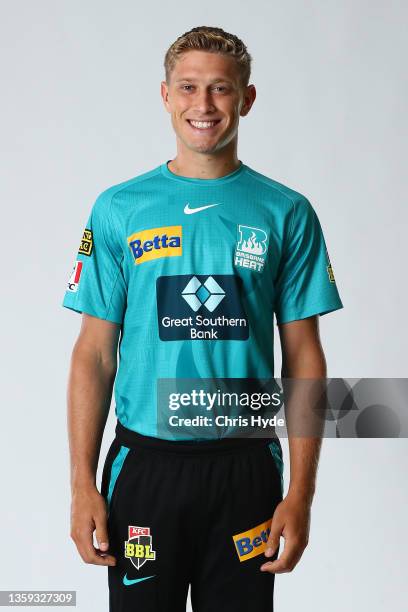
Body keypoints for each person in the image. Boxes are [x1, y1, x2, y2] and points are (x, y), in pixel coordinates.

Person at [62, 25, 343, 612]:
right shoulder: (119, 208)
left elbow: (305, 356)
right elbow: (93, 352)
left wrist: (301, 492)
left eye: (220, 89)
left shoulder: (285, 211)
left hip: (246, 465)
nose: (204, 105)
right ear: (165, 95)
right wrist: (82, 483)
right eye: (189, 87)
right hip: (145, 465)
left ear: (247, 98)